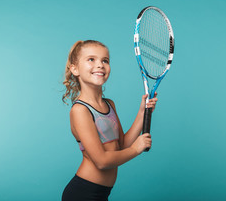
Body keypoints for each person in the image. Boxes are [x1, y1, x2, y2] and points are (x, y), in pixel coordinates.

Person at [61, 40, 158, 201]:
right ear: (75, 69)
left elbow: (121, 145)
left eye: (105, 60)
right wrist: (136, 149)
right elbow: (101, 161)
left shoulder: (109, 104)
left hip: (101, 193)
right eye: (91, 59)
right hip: (83, 193)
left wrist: (142, 113)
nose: (100, 65)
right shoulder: (80, 111)